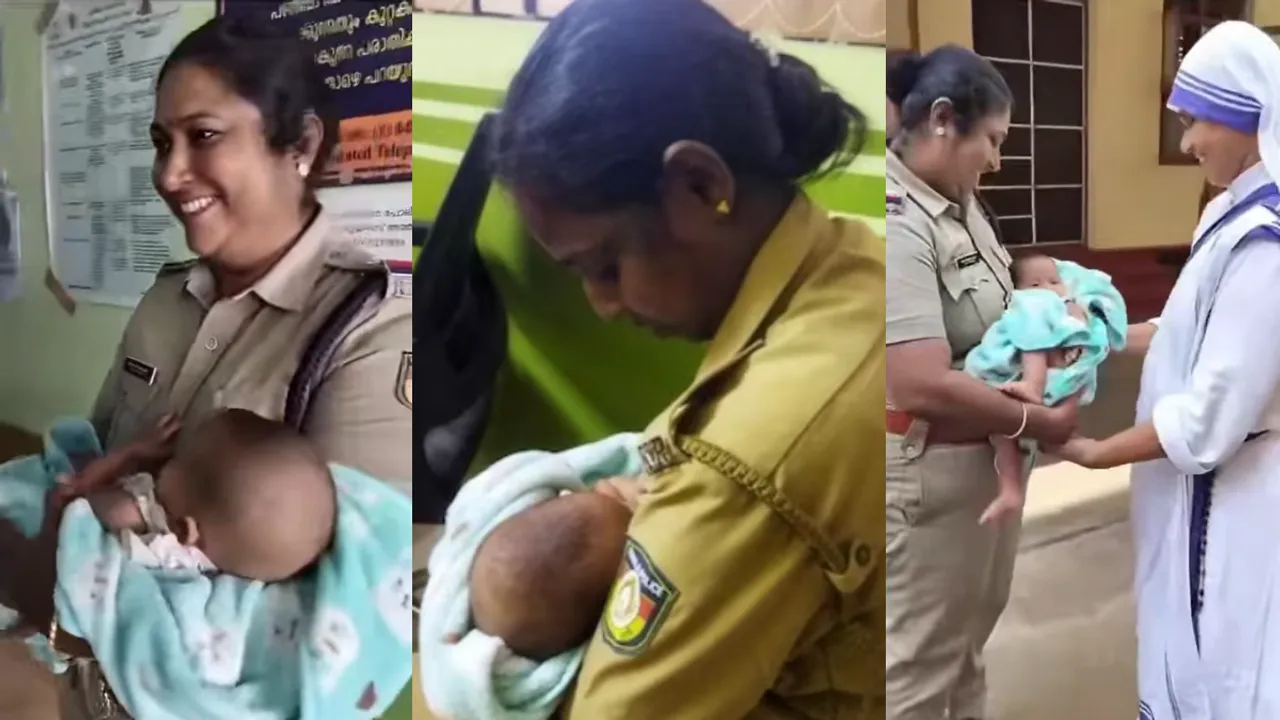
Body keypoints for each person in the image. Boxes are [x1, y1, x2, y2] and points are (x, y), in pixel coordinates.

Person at [0, 16, 411, 719]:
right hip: (54, 632)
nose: (168, 173)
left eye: (205, 136)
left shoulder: (375, 332)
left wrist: (30, 559)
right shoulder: (166, 298)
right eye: (162, 142)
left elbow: (331, 637)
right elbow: (88, 463)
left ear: (302, 145)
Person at [482, 0, 884, 715]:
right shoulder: (854, 259)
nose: (601, 304)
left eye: (603, 264)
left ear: (701, 185)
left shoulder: (753, 462)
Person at [1053, 21, 1280, 719]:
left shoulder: (1267, 247)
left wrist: (1094, 452)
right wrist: (1101, 331)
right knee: (1182, 628)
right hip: (1192, 484)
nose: (1185, 144)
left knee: (1229, 649)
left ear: (1245, 116)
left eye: (1194, 122)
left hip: (1235, 492)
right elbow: (1184, 329)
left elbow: (1211, 415)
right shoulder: (1227, 212)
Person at [884, 45, 1082, 720]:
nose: (996, 160)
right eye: (992, 140)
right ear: (944, 119)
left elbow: (1001, 316)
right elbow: (915, 380)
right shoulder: (896, 220)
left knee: (967, 643)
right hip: (929, 477)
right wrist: (1035, 420)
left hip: (985, 461)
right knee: (916, 664)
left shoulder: (960, 203)